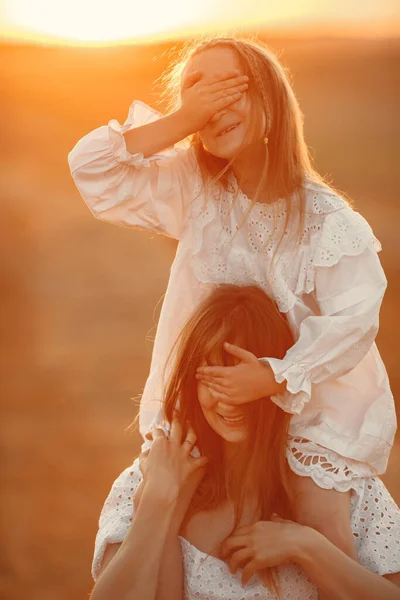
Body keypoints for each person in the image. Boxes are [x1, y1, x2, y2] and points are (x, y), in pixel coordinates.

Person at [68, 35, 397, 582]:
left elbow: (354, 322)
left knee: (322, 522)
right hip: (211, 391)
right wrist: (182, 119)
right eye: (198, 91)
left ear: (270, 103)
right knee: (167, 494)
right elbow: (94, 170)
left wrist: (274, 376)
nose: (214, 105)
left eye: (231, 89)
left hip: (309, 401)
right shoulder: (194, 186)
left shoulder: (326, 221)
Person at [89, 285, 400, 600]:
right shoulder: (145, 480)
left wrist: (307, 547)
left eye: (242, 382)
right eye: (213, 378)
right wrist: (156, 503)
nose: (229, 400)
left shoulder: (335, 483)